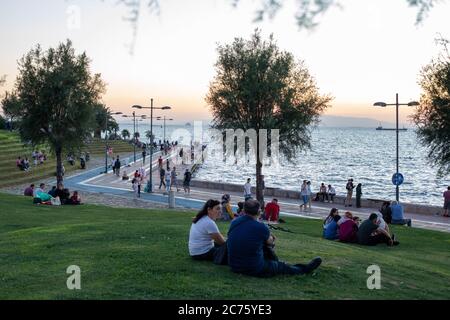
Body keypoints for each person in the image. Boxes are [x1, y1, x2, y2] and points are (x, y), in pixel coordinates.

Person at [227, 199, 322, 277]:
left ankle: (274, 261)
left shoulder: (234, 222)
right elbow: (270, 242)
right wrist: (271, 237)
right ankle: (304, 269)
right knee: (281, 267)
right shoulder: (260, 227)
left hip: (234, 266)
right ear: (259, 211)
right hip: (253, 268)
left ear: (243, 210)